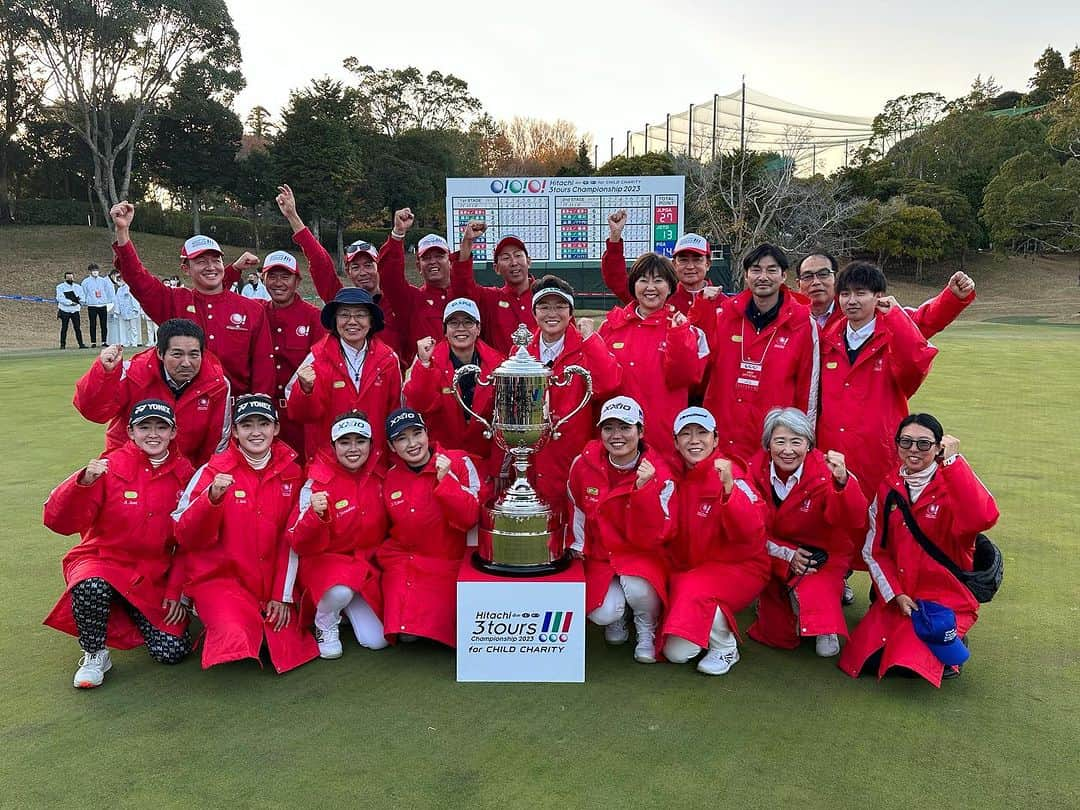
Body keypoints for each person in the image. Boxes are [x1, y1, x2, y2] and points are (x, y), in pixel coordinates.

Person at [43, 399, 194, 688]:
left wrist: (177, 591)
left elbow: (188, 541)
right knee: (91, 586)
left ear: (173, 433)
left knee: (172, 651)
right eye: (144, 427)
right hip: (102, 562)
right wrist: (82, 482)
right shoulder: (107, 467)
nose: (153, 434)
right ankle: (95, 653)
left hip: (151, 575)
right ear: (131, 431)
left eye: (161, 427)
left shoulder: (185, 474)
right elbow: (57, 520)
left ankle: (124, 609)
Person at [838, 414, 999, 686]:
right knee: (864, 660)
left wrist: (953, 464)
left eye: (924, 444)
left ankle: (954, 639)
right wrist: (896, 594)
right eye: (906, 442)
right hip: (903, 596)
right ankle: (928, 639)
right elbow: (875, 550)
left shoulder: (952, 484)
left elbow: (983, 517)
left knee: (908, 666)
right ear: (897, 445)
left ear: (938, 448)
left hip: (944, 597)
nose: (914, 450)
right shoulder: (888, 486)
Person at [173, 395, 318, 673]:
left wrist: (282, 594)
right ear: (235, 432)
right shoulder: (212, 470)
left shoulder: (293, 471)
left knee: (285, 641)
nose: (255, 432)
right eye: (246, 425)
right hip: (223, 580)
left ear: (275, 428)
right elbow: (183, 533)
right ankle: (218, 620)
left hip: (270, 581)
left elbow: (293, 539)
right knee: (235, 635)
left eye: (263, 424)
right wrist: (211, 498)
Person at [109, 201, 274, 396]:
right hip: (186, 412)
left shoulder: (251, 310)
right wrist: (123, 232)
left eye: (216, 260)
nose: (211, 267)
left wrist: (260, 411)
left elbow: (264, 366)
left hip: (238, 414)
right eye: (201, 262)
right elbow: (138, 279)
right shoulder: (174, 301)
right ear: (186, 269)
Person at [745, 407, 868, 658]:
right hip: (773, 556)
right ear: (768, 444)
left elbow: (853, 519)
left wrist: (843, 482)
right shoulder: (753, 470)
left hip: (822, 557)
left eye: (796, 442)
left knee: (824, 643)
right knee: (777, 634)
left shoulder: (826, 471)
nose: (788, 450)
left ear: (809, 444)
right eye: (779, 441)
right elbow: (750, 527)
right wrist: (788, 555)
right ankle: (780, 602)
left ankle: (825, 620)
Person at [660, 406, 770, 675]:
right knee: (676, 652)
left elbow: (753, 533)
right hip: (691, 569)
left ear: (716, 439)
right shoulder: (671, 473)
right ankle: (707, 621)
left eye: (702, 433)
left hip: (740, 568)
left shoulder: (732, 474)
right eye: (686, 434)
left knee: (691, 590)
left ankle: (725, 646)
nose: (694, 440)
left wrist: (730, 490)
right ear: (675, 441)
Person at [816, 261, 938, 500]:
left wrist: (896, 317)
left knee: (879, 526)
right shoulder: (827, 340)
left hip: (878, 455)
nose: (852, 301)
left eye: (861, 293)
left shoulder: (892, 336)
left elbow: (916, 365)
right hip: (831, 452)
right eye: (845, 294)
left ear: (878, 297)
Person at [566, 397, 675, 664]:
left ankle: (646, 628)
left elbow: (660, 532)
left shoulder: (660, 472)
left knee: (638, 589)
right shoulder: (583, 463)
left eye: (625, 428)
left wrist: (645, 489)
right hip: (601, 556)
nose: (617, 436)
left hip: (641, 556)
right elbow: (576, 507)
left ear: (641, 431)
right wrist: (579, 546)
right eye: (609, 428)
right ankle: (618, 618)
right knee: (602, 614)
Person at [690, 243, 819, 460]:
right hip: (723, 436)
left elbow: (809, 390)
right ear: (746, 275)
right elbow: (695, 362)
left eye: (771, 270)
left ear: (783, 276)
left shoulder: (803, 323)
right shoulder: (724, 315)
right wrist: (702, 308)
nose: (763, 276)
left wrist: (802, 439)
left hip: (774, 440)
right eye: (756, 270)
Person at [288, 411, 389, 659]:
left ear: (371, 444)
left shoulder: (380, 475)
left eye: (360, 441)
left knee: (377, 641)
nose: (353, 449)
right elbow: (295, 539)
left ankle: (343, 607)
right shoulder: (315, 482)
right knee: (340, 592)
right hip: (326, 565)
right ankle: (325, 623)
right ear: (333, 446)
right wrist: (314, 515)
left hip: (365, 566)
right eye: (345, 442)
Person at [378, 408, 480, 647]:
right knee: (404, 635)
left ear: (427, 433)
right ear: (392, 447)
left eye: (417, 433)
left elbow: (471, 517)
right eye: (401, 438)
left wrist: (447, 481)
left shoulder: (458, 461)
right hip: (406, 562)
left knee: (447, 634)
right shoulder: (391, 477)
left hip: (448, 562)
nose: (412, 444)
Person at [598, 251, 709, 472]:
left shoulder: (687, 330)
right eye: (643, 280)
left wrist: (679, 335)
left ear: (670, 287)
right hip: (618, 442)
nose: (651, 287)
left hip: (664, 441)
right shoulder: (610, 328)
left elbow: (689, 379)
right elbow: (598, 385)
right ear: (633, 285)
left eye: (658, 280)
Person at [523, 276, 622, 522]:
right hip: (533, 460)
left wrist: (591, 340)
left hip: (574, 458)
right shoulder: (522, 352)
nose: (552, 313)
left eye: (560, 306)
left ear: (570, 312)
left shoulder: (586, 347)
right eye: (544, 307)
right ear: (534, 312)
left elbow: (609, 383)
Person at [73, 319, 231, 467]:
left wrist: (201, 482)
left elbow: (216, 443)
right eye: (177, 354)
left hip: (181, 475)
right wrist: (105, 373)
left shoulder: (217, 385)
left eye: (194, 354)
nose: (186, 363)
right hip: (125, 469)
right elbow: (93, 412)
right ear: (160, 353)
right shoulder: (132, 373)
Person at [276, 186, 407, 362]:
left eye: (368, 265)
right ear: (348, 272)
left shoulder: (398, 301)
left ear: (378, 267)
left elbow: (394, 263)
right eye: (356, 267)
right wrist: (293, 217)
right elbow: (320, 262)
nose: (363, 272)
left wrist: (398, 234)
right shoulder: (340, 301)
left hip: (393, 384)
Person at [222, 245, 326, 457]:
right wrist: (235, 269)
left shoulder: (314, 318)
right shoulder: (255, 310)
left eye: (285, 277)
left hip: (296, 416)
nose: (278, 283)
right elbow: (218, 296)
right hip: (257, 415)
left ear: (297, 281)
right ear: (263, 278)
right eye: (272, 276)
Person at [285, 288, 403, 464]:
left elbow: (395, 412)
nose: (352, 321)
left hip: (375, 463)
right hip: (328, 463)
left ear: (371, 321)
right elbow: (299, 414)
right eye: (344, 315)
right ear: (335, 321)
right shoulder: (316, 358)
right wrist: (305, 391)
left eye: (360, 315)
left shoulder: (388, 360)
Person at [404, 298, 501, 467]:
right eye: (454, 323)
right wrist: (424, 364)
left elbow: (503, 421)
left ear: (478, 329)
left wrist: (498, 465)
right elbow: (419, 405)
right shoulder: (428, 361)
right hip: (441, 462)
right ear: (445, 330)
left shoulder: (499, 364)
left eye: (468, 322)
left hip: (485, 464)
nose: (461, 328)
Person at [796, 249, 976, 336]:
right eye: (808, 276)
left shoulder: (863, 312)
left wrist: (952, 298)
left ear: (835, 279)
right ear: (798, 284)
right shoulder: (788, 320)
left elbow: (920, 321)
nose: (816, 281)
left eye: (823, 274)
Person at [601, 210, 715, 314]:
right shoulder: (659, 296)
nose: (690, 266)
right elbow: (616, 280)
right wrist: (615, 237)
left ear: (708, 264)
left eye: (697, 259)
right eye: (683, 260)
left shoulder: (724, 304)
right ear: (674, 264)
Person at [378, 211, 456, 360]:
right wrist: (398, 233)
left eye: (439, 256)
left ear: (450, 261)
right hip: (425, 378)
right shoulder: (411, 300)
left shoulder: (465, 294)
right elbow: (389, 277)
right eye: (426, 258)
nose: (433, 261)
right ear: (418, 266)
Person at [452, 222, 535, 353]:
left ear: (529, 261)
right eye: (506, 258)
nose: (514, 262)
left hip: (542, 372)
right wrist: (467, 242)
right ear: (496, 268)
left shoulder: (546, 296)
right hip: (499, 372)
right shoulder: (490, 299)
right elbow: (462, 288)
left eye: (518, 255)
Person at [81, 262, 114, 347]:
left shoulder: (103, 281)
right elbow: (83, 293)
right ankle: (93, 342)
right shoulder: (86, 282)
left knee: (103, 324)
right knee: (93, 324)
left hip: (102, 305)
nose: (95, 272)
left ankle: (104, 341)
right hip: (92, 305)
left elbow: (107, 291)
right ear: (90, 272)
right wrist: (85, 301)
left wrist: (108, 301)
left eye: (96, 270)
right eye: (93, 270)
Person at [110, 270, 143, 347]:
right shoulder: (119, 290)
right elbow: (117, 301)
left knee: (133, 328)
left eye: (121, 280)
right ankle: (127, 342)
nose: (120, 282)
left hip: (131, 311)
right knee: (127, 328)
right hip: (124, 312)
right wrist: (117, 311)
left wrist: (136, 309)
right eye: (118, 280)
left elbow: (134, 299)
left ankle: (134, 342)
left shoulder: (129, 288)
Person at [55, 271, 87, 349]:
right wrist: (70, 302)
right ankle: (62, 345)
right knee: (64, 328)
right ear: (65, 278)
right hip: (64, 310)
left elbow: (82, 297)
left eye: (71, 277)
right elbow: (60, 298)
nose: (70, 279)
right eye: (68, 277)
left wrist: (79, 301)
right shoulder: (60, 287)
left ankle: (81, 344)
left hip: (75, 310)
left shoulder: (78, 287)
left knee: (77, 328)